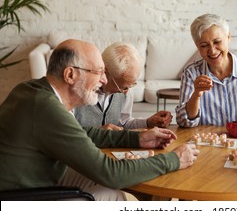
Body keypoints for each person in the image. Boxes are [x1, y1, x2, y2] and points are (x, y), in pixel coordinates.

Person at [0, 39, 199, 201]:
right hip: (21, 198)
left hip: (37, 176)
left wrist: (137, 139)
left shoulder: (32, 90)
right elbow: (110, 173)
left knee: (111, 189)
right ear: (70, 74)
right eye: (98, 72)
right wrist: (173, 159)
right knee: (113, 196)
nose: (103, 80)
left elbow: (81, 133)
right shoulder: (47, 108)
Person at [176, 13, 237, 129]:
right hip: (207, 143)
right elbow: (183, 121)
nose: (212, 51)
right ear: (197, 46)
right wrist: (196, 95)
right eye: (204, 45)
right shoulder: (191, 72)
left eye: (217, 42)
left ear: (228, 37)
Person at [74, 42, 172, 131]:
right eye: (122, 87)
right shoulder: (78, 91)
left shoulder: (126, 89)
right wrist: (99, 132)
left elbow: (123, 122)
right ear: (105, 73)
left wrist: (148, 122)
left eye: (131, 85)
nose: (126, 92)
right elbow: (66, 134)